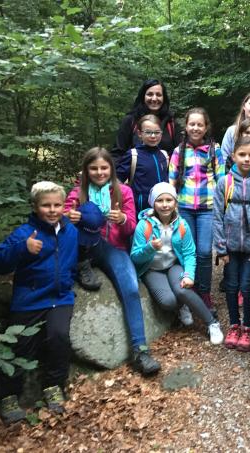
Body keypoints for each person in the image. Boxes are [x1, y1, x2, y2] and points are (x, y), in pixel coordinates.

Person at [65, 147, 161, 377]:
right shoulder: (77, 192)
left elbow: (130, 230)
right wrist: (71, 217)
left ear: (111, 169)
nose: (99, 172)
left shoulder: (123, 191)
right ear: (86, 170)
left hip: (114, 247)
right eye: (94, 168)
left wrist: (123, 219)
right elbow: (63, 223)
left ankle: (140, 350)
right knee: (88, 211)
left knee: (130, 287)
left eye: (104, 167)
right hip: (84, 248)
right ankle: (82, 265)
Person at [0, 181, 78, 424]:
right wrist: (23, 249)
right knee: (21, 345)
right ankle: (8, 396)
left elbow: (76, 257)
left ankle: (53, 387)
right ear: (35, 207)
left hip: (60, 298)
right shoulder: (24, 233)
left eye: (57, 205)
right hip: (29, 300)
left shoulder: (71, 231)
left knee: (59, 338)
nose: (52, 210)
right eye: (46, 205)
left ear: (64, 206)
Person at [130, 183, 224, 345]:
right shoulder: (143, 226)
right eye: (160, 200)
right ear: (153, 203)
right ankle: (182, 307)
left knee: (183, 290)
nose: (165, 205)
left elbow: (189, 253)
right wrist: (150, 248)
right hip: (152, 269)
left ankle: (212, 323)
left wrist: (189, 275)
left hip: (173, 265)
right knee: (168, 301)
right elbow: (135, 257)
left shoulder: (181, 225)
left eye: (169, 200)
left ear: (175, 202)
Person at [213, 137, 250, 352]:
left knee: (248, 287)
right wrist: (221, 248)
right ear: (233, 156)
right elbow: (217, 216)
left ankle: (248, 327)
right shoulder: (224, 183)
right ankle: (233, 325)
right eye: (242, 155)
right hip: (230, 248)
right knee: (231, 287)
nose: (246, 159)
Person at [169, 107, 227, 311]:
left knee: (203, 252)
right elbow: (172, 179)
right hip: (184, 208)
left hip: (207, 208)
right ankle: (188, 291)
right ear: (186, 126)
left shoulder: (214, 149)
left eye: (199, 124)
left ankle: (204, 292)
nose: (195, 128)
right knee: (187, 251)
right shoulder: (179, 151)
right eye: (192, 124)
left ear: (206, 127)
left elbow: (222, 180)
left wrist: (223, 207)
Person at [114, 114, 170, 216]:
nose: (153, 136)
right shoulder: (133, 154)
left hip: (163, 212)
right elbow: (118, 181)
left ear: (161, 134)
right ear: (139, 133)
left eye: (157, 132)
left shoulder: (164, 156)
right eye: (148, 132)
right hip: (139, 213)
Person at [111, 79, 178, 161]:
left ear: (164, 98)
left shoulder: (171, 123)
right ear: (143, 96)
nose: (154, 98)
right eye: (150, 94)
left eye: (158, 95)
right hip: (135, 172)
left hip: (165, 172)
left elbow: (180, 153)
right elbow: (117, 154)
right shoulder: (131, 121)